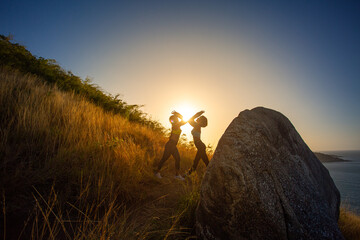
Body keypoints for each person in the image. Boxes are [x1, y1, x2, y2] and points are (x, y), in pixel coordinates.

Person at [155, 111, 186, 180]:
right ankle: (157, 173)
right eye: (176, 118)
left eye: (177, 118)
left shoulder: (176, 125)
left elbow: (183, 121)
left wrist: (177, 114)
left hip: (172, 145)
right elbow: (184, 121)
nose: (177, 119)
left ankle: (176, 175)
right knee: (166, 159)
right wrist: (178, 114)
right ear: (174, 120)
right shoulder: (175, 125)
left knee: (176, 159)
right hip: (170, 145)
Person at [186, 110, 209, 175]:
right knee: (196, 162)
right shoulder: (197, 126)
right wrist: (199, 114)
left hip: (200, 145)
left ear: (200, 121)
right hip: (200, 145)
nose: (197, 118)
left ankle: (212, 175)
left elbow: (190, 120)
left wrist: (198, 113)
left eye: (199, 118)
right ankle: (189, 174)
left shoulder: (197, 125)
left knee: (207, 163)